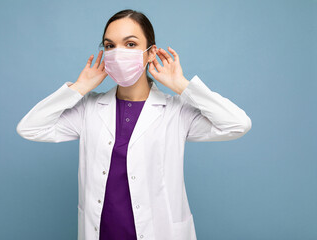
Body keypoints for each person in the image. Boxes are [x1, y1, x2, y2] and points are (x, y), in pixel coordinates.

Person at [16, 9, 252, 240]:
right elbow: (30, 127)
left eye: (130, 44)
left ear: (151, 53)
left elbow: (237, 124)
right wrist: (79, 87)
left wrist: (181, 85)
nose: (118, 53)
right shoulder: (89, 109)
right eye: (110, 46)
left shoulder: (176, 111)